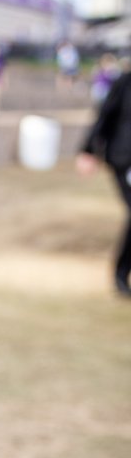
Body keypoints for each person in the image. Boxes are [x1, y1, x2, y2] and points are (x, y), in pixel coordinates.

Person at [76, 65, 131, 296]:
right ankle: (121, 272)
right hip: (125, 158)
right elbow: (105, 114)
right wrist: (88, 150)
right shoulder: (126, 82)